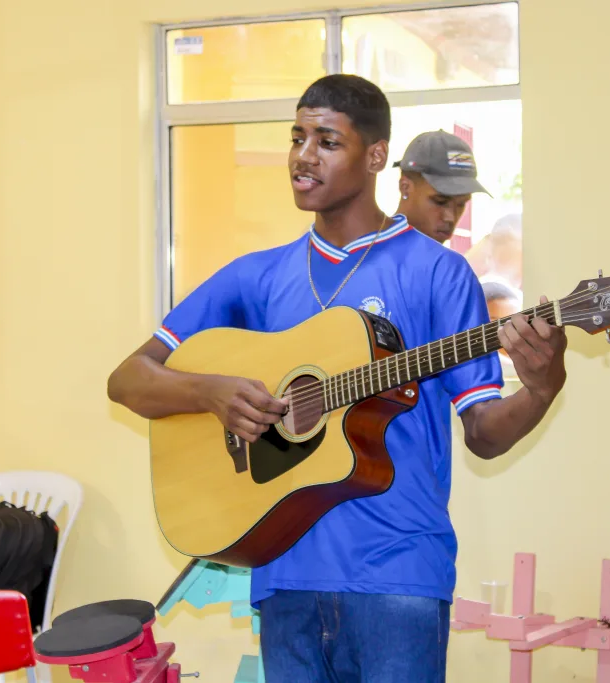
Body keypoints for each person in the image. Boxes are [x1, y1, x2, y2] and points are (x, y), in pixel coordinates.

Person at [107, 74, 567, 682]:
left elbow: (483, 432)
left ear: (375, 156)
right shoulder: (256, 277)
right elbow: (128, 379)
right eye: (297, 137)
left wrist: (541, 387)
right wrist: (210, 392)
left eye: (327, 140)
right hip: (282, 571)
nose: (303, 155)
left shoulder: (438, 273)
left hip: (398, 573)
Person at [394, 129, 491, 244]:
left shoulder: (450, 261)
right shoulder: (371, 253)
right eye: (440, 201)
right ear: (405, 188)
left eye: (461, 204)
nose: (450, 218)